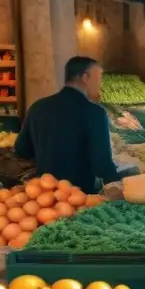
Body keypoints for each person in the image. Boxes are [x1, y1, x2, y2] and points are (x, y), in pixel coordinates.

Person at [15, 56, 122, 193]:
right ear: (85, 77)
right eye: (99, 77)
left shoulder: (38, 107)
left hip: (43, 194)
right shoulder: (94, 113)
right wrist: (117, 186)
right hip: (78, 195)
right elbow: (101, 163)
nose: (100, 84)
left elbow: (22, 149)